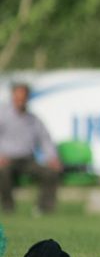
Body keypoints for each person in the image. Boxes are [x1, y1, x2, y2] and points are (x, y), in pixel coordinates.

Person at [0, 83, 61, 214]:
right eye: (18, 97)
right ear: (13, 97)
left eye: (23, 97)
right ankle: (8, 208)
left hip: (27, 160)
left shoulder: (33, 119)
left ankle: (43, 209)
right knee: (3, 171)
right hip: (7, 159)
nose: (20, 101)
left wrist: (52, 158)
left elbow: (45, 139)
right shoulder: (2, 116)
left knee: (50, 172)